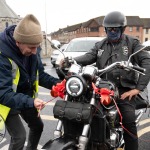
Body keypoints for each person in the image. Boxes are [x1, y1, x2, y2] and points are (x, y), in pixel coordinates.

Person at [58, 11, 150, 150]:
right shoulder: (100, 45)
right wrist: (70, 61)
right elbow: (88, 57)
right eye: (109, 29)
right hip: (103, 88)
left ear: (122, 29)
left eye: (115, 29)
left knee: (128, 120)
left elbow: (146, 61)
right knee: (85, 108)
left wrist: (137, 88)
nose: (112, 31)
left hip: (124, 90)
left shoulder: (132, 43)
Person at [0, 14, 60, 150]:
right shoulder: (2, 55)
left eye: (37, 47)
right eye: (31, 47)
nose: (35, 52)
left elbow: (41, 76)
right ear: (18, 42)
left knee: (37, 126)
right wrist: (31, 102)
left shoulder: (33, 50)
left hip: (24, 96)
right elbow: (3, 93)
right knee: (19, 137)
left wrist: (60, 84)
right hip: (6, 99)